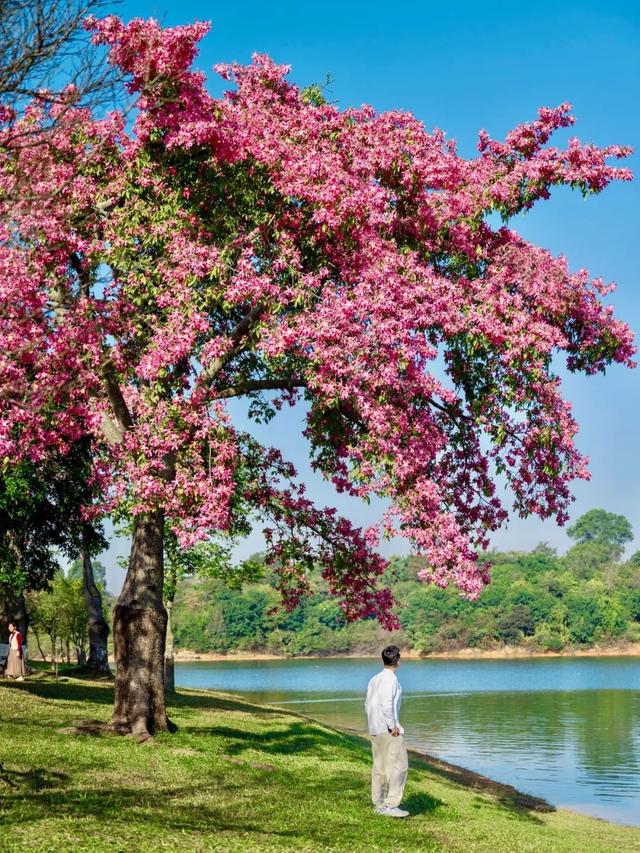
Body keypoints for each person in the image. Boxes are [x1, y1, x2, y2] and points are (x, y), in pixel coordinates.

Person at [365, 645, 409, 818]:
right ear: (397, 661)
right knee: (399, 765)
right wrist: (393, 726)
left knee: (380, 767)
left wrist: (372, 726)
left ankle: (379, 804)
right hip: (387, 730)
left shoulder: (374, 679)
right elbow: (386, 705)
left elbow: (367, 704)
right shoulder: (390, 679)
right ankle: (391, 806)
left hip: (375, 729)